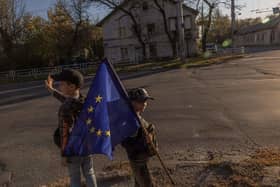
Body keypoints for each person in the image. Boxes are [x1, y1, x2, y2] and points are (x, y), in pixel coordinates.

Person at [45, 69, 97, 187]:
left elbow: (65, 131)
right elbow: (67, 100)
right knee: (89, 172)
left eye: (62, 84)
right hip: (86, 145)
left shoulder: (65, 108)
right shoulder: (84, 100)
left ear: (72, 86)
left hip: (72, 149)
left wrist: (64, 154)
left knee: (75, 177)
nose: (59, 86)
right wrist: (52, 91)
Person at [122, 88, 158, 187]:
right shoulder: (131, 122)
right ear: (132, 103)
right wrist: (144, 140)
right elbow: (126, 143)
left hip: (142, 159)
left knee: (139, 183)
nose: (144, 104)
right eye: (141, 101)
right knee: (147, 184)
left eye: (145, 101)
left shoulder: (137, 116)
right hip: (138, 161)